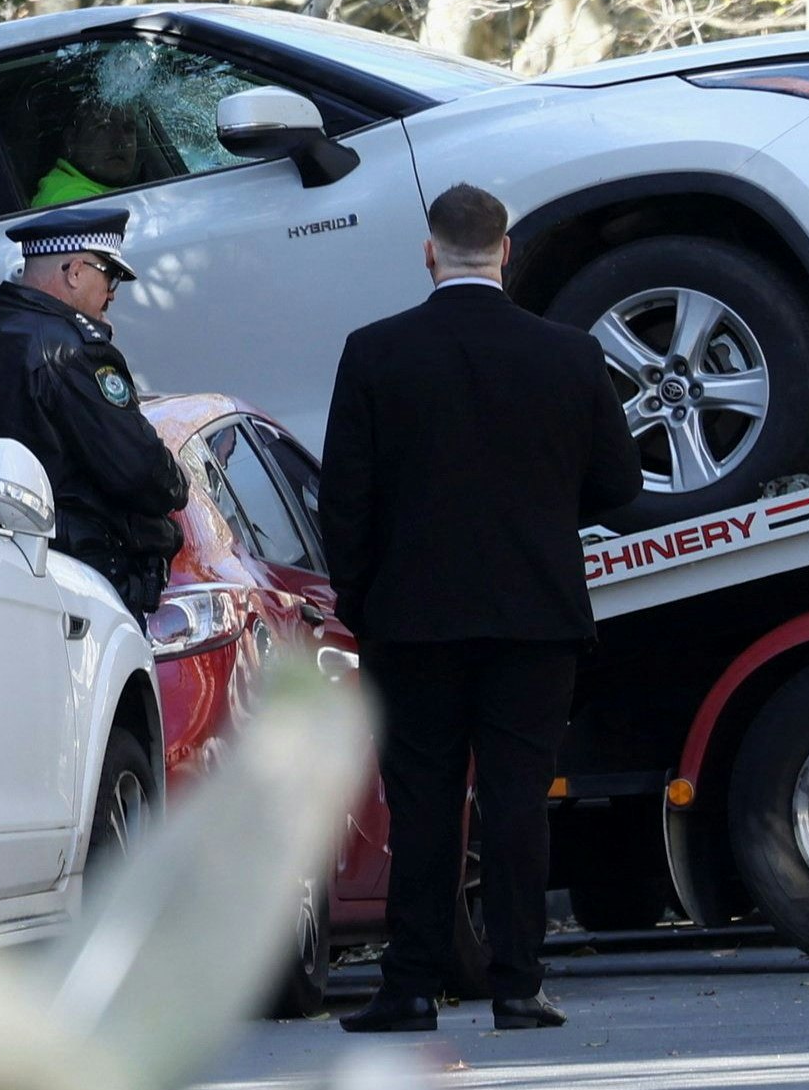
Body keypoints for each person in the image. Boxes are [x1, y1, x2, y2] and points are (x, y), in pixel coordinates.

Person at [319, 183, 641, 1034]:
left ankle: (411, 985)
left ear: (430, 253)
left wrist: (362, 601)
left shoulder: (375, 352)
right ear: (505, 253)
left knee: (421, 802)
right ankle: (517, 984)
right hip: (533, 617)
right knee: (514, 802)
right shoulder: (568, 354)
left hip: (411, 619)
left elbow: (343, 502)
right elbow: (621, 486)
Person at [0, 205, 187, 617]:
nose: (112, 294)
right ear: (74, 271)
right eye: (110, 277)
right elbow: (139, 470)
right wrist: (180, 480)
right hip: (81, 582)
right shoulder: (72, 350)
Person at [28, 102, 144, 207]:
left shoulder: (98, 192)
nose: (121, 142)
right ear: (71, 139)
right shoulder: (71, 200)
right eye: (104, 127)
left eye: (128, 129)